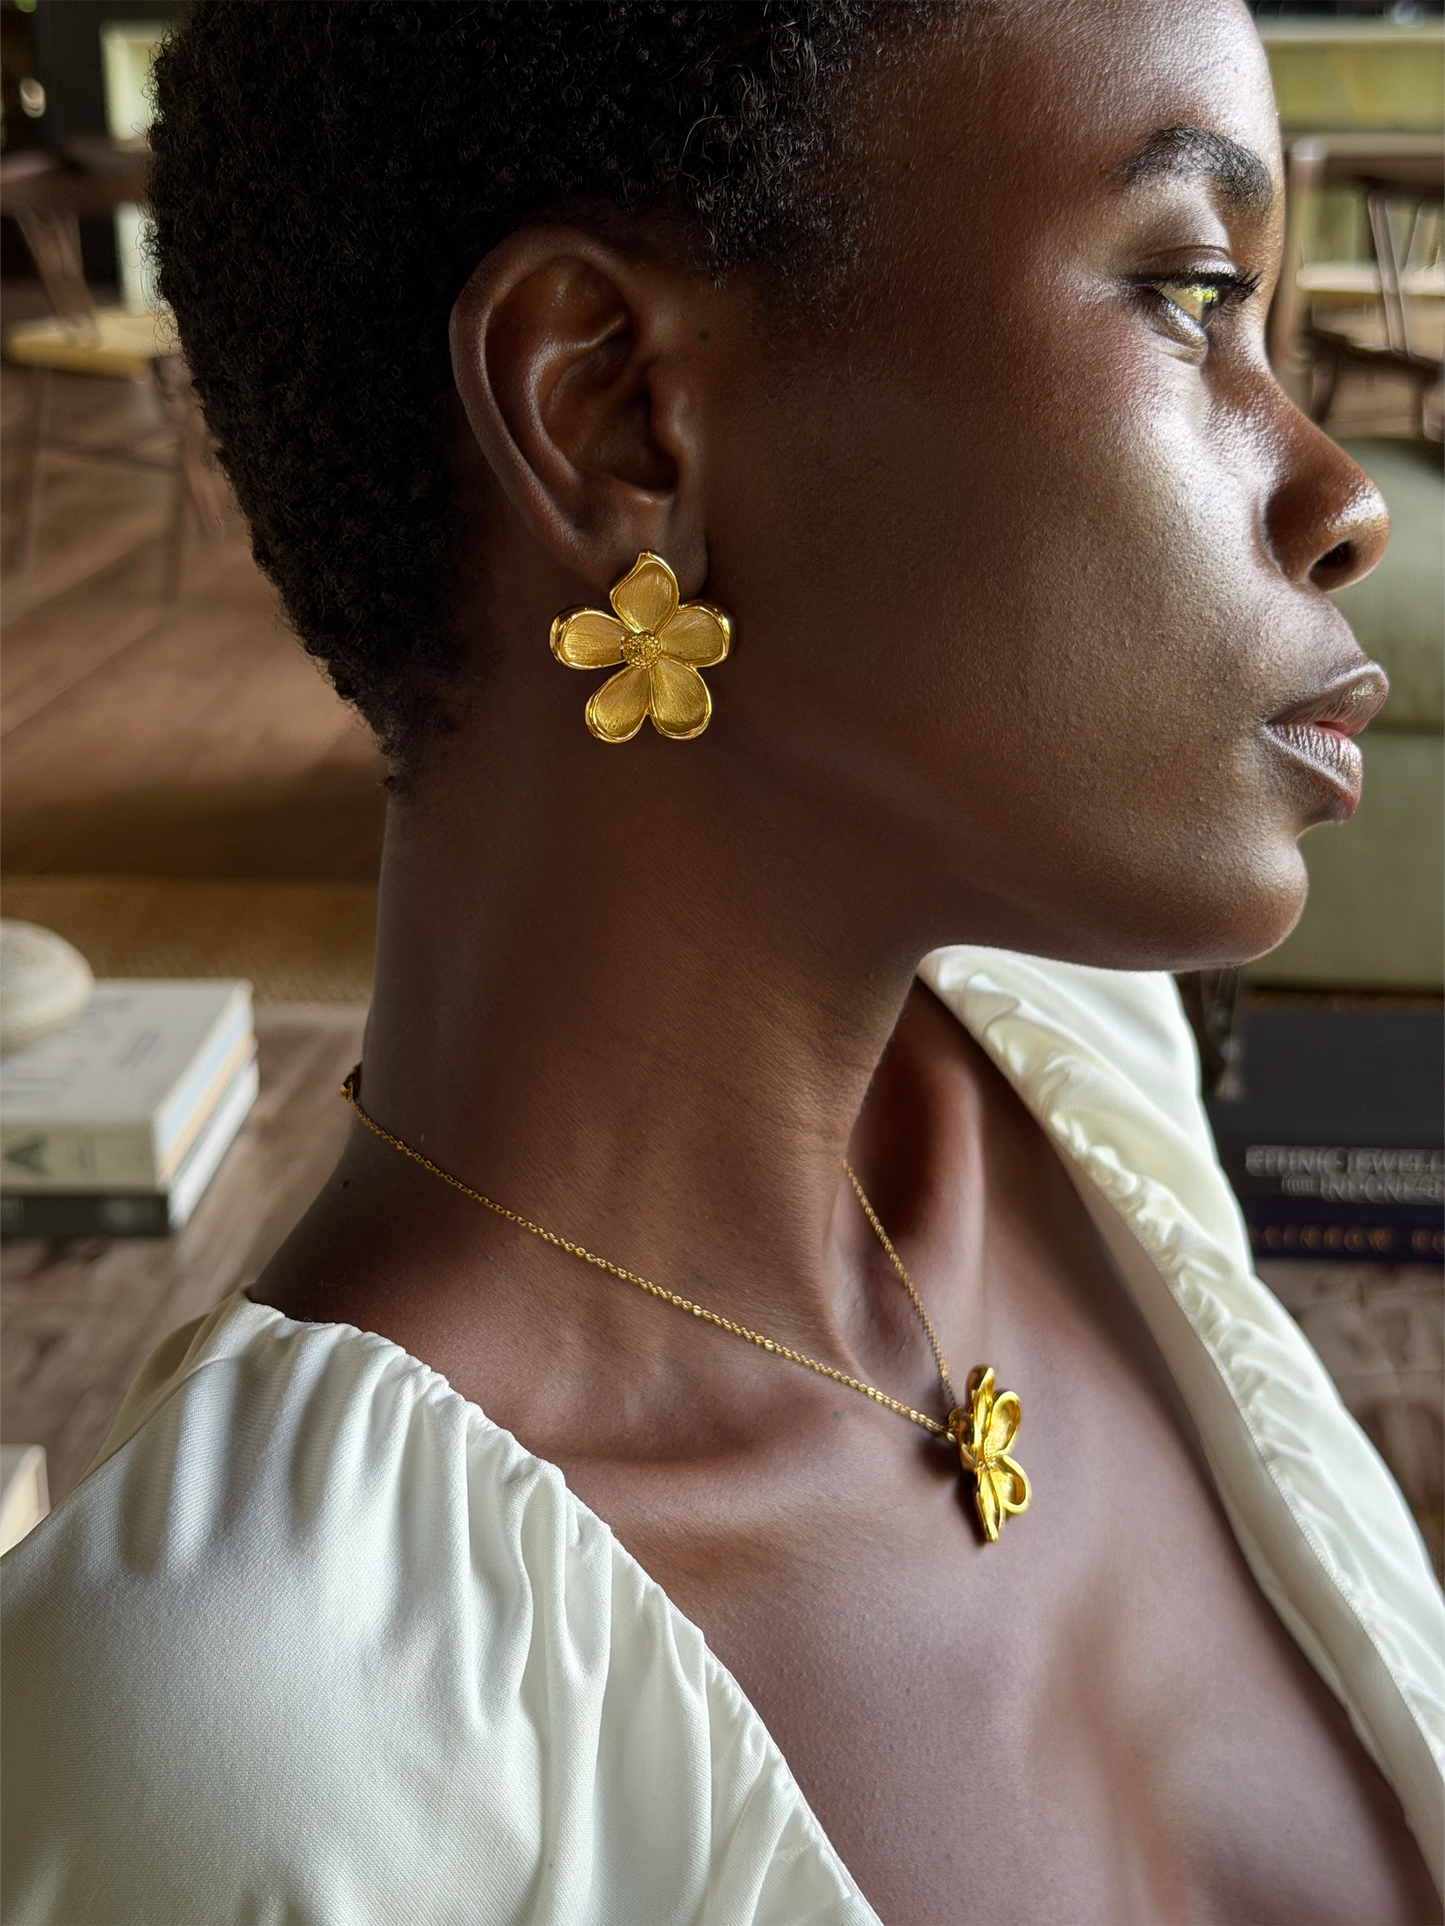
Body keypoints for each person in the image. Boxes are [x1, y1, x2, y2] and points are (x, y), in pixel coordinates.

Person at [2, 0, 1442, 1919]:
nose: (1342, 498)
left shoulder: (1077, 1050)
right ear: (615, 412)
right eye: (1188, 295)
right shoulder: (259, 1738)